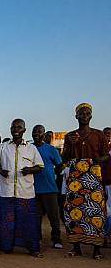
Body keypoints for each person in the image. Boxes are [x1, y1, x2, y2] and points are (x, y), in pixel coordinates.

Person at [62, 104, 109, 259]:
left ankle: (97, 249)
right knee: (74, 209)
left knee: (95, 210)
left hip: (93, 175)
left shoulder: (99, 135)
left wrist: (95, 160)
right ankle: (76, 247)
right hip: (76, 176)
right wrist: (72, 144)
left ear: (91, 116)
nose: (84, 115)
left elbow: (106, 155)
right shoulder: (70, 136)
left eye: (87, 113)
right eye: (81, 113)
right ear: (76, 116)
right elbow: (64, 158)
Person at [0, 119, 44, 257]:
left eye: (19, 127)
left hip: (26, 193)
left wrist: (30, 170)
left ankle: (33, 248)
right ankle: (6, 247)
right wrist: (1, 171)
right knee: (6, 222)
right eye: (13, 127)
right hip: (7, 192)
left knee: (28, 222)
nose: (16, 129)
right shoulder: (3, 146)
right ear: (10, 129)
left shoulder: (31, 148)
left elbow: (40, 167)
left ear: (24, 130)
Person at [32, 125, 63, 249]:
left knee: (54, 216)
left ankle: (56, 239)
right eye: (34, 132)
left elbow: (59, 166)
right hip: (33, 189)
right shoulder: (29, 149)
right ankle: (37, 238)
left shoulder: (51, 149)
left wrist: (51, 174)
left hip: (50, 188)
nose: (36, 134)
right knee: (36, 216)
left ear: (44, 135)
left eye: (39, 132)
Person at [101, 127, 111, 246]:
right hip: (102, 183)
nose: (107, 135)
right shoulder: (100, 148)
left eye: (109, 133)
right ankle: (104, 235)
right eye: (105, 134)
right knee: (105, 212)